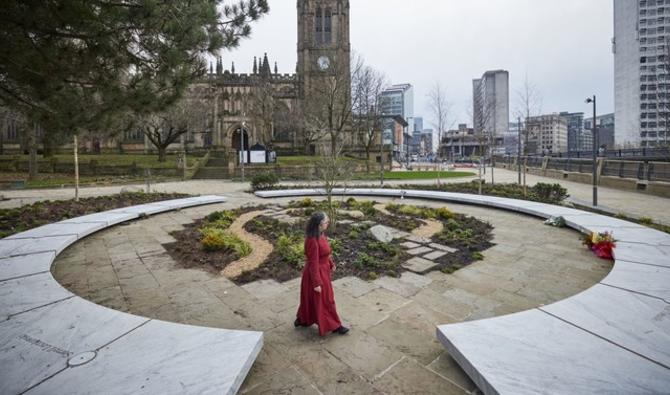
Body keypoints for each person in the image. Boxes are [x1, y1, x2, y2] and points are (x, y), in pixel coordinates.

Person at [295, 212, 349, 336]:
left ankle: (302, 319)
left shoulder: (320, 234)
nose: (328, 223)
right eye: (326, 221)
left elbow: (324, 253)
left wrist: (330, 263)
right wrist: (317, 283)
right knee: (326, 300)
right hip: (316, 274)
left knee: (312, 299)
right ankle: (335, 326)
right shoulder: (312, 240)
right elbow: (313, 262)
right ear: (319, 224)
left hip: (323, 271)